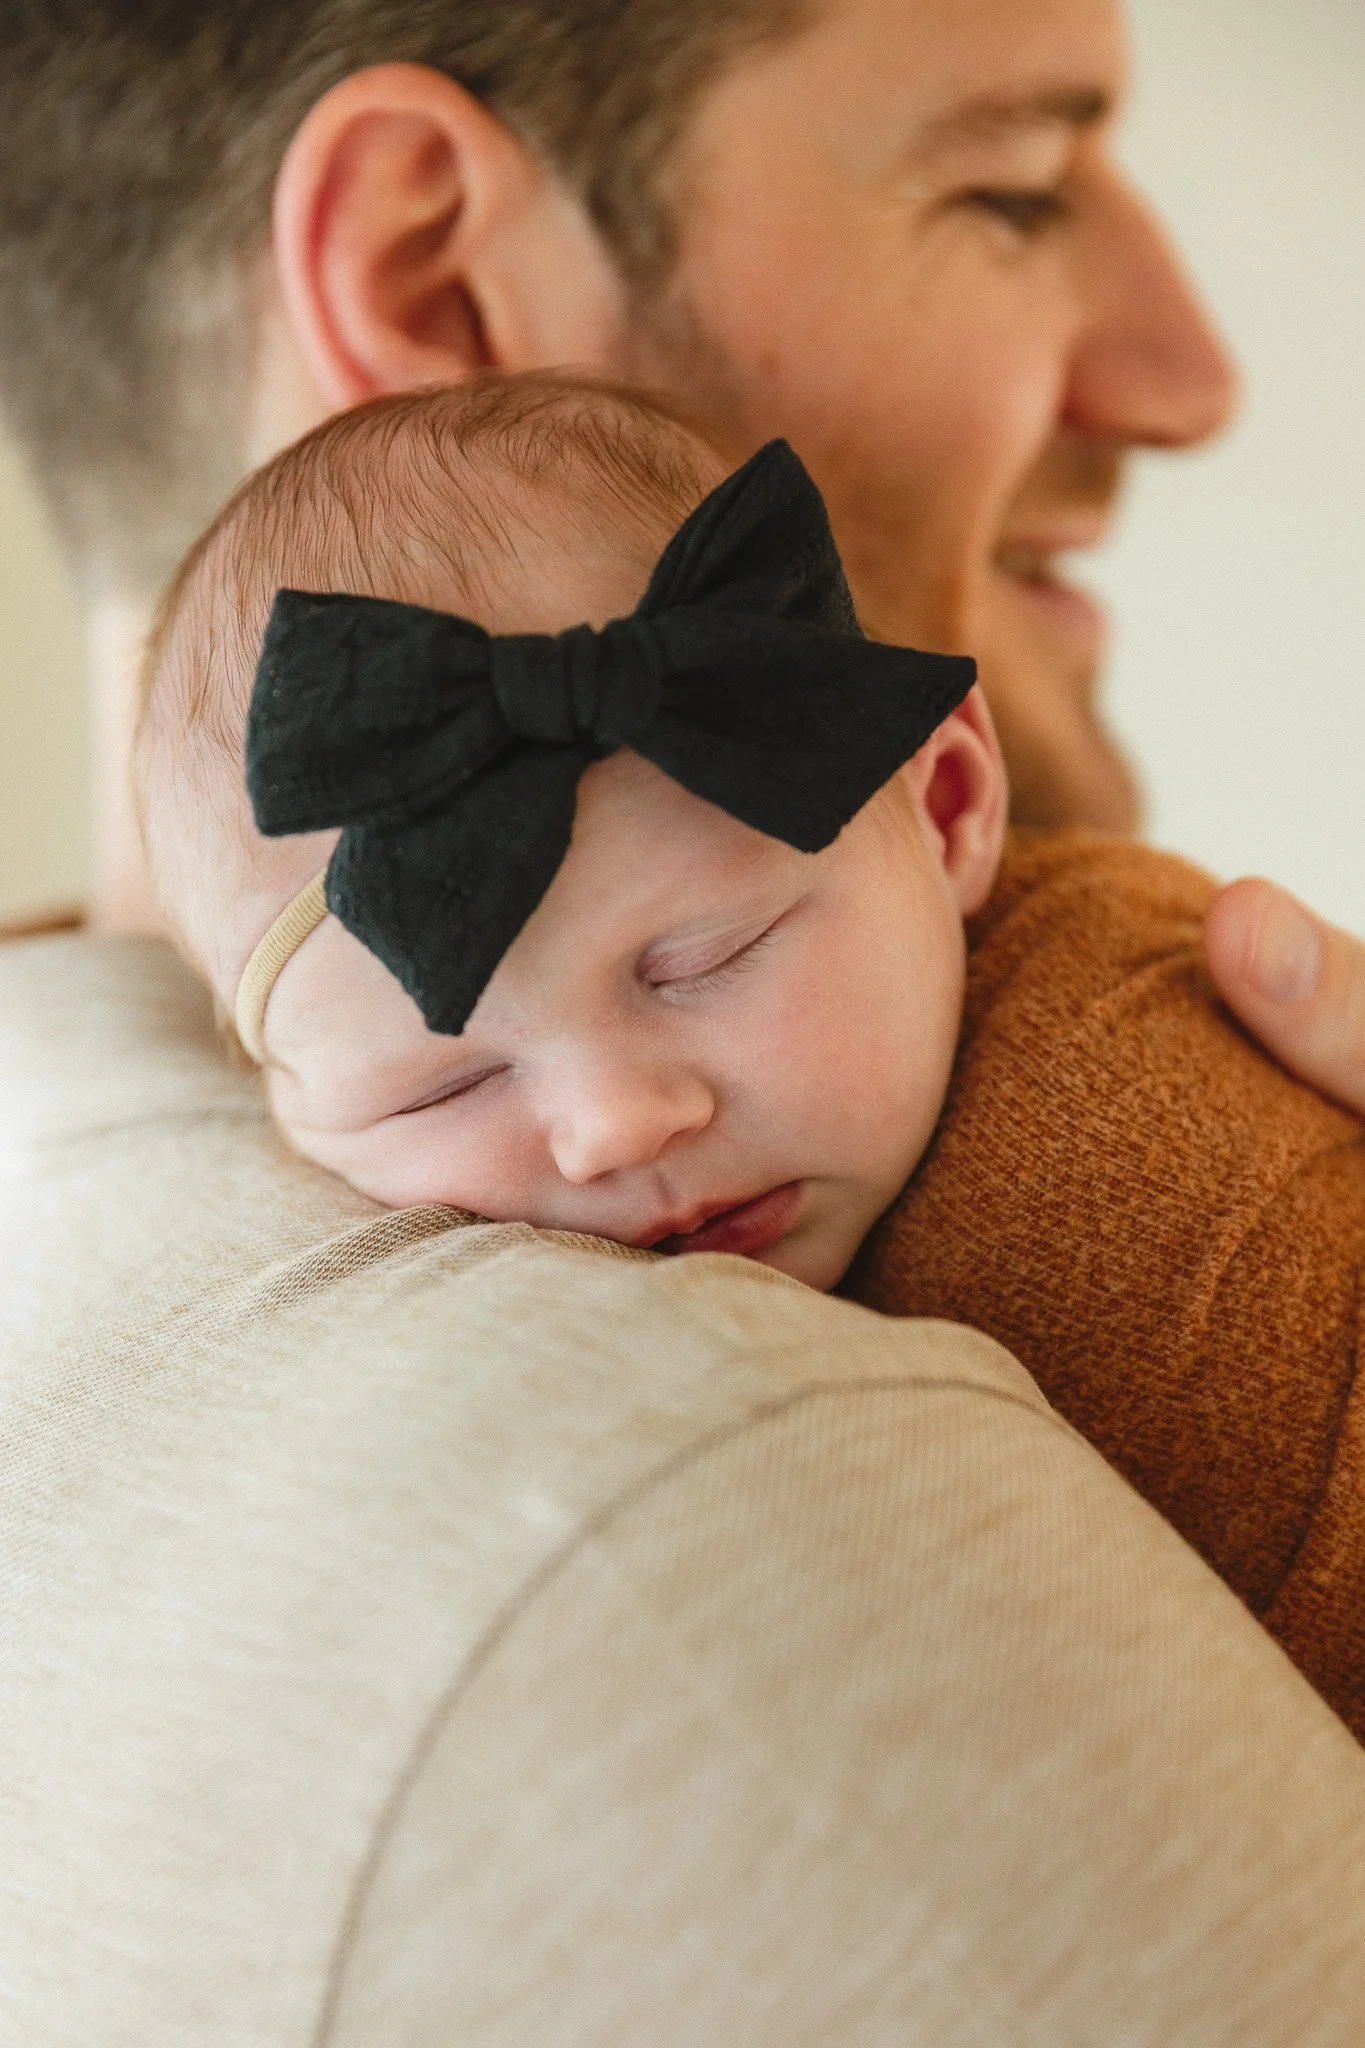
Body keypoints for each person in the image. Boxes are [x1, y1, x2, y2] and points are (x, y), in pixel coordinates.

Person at [5, 4, 1365, 2036]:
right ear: (426, 269)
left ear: (951, 800)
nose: (1189, 373)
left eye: (707, 953)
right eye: (1005, 187)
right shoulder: (773, 1501)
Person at [137, 377, 1364, 1735]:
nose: (616, 1126)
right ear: (280, 1102)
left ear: (945, 808)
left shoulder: (1118, 1041)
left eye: (705, 959)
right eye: (448, 1082)